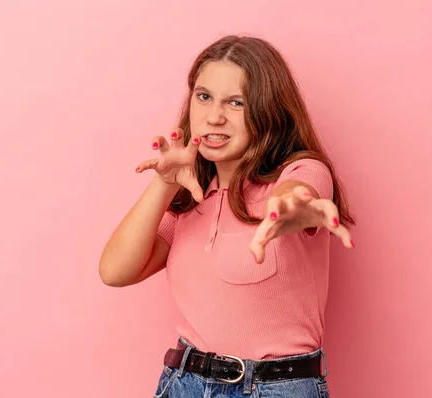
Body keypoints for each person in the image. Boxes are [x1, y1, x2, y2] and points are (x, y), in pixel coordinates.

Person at [99, 35, 355, 398]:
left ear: (268, 111)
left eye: (236, 102)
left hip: (276, 388)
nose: (214, 117)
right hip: (184, 383)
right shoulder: (190, 202)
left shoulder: (300, 170)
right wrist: (164, 184)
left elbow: (299, 193)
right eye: (204, 97)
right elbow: (114, 272)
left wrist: (290, 208)